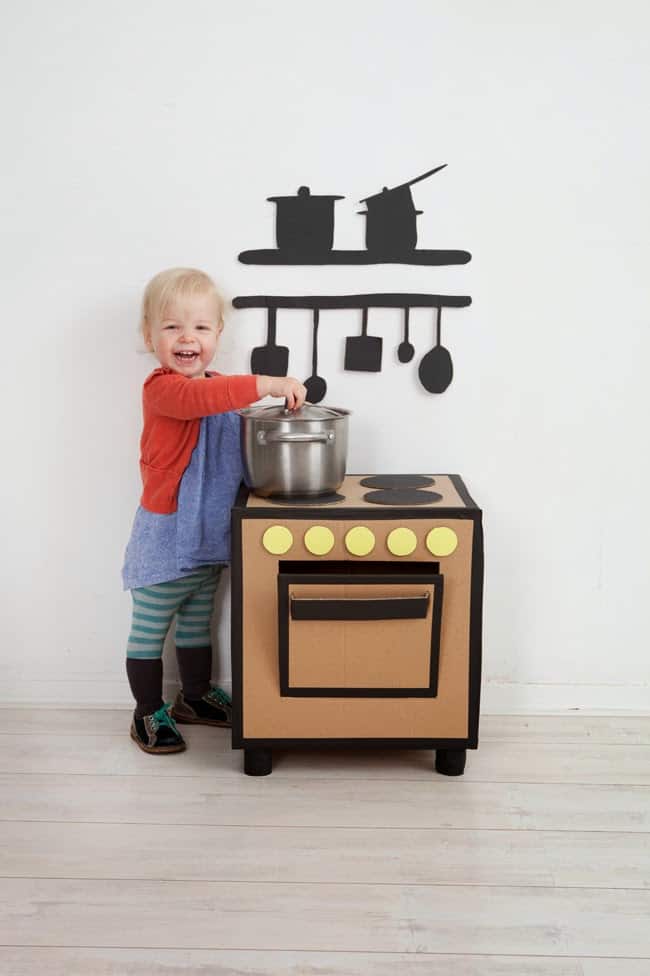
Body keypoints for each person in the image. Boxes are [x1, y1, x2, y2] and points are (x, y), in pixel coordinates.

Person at [122, 267, 306, 754]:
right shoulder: (162, 390)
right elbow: (201, 398)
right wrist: (266, 382)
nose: (187, 338)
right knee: (150, 628)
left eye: (201, 328)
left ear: (218, 335)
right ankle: (146, 713)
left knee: (197, 624)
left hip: (209, 538)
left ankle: (195, 697)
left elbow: (238, 443)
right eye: (171, 327)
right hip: (165, 537)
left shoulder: (226, 393)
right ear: (149, 337)